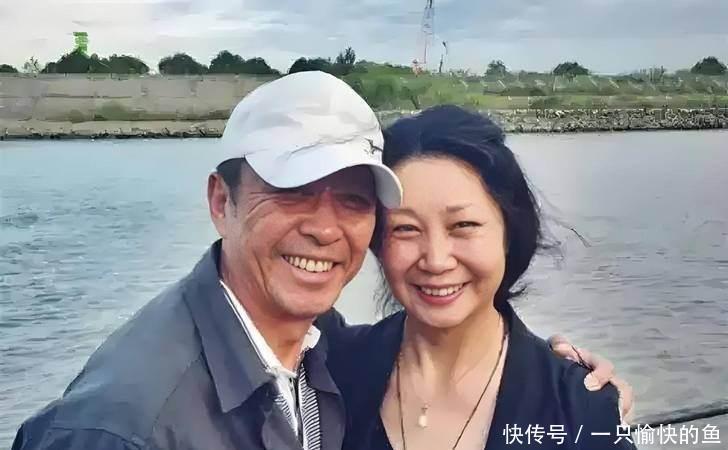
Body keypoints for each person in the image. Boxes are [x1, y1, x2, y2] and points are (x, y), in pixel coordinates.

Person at [11, 72, 629, 450]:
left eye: (354, 200)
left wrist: (576, 389)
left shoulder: (317, 354)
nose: (324, 228)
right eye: (292, 191)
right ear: (221, 201)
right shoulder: (125, 424)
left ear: (510, 234)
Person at [325, 105, 637, 450]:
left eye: (463, 225)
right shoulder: (328, 368)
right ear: (377, 242)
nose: (436, 260)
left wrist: (590, 401)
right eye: (406, 228)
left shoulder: (578, 409)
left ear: (509, 232)